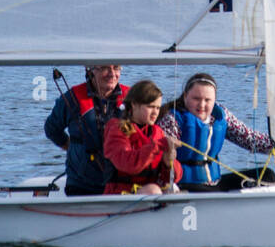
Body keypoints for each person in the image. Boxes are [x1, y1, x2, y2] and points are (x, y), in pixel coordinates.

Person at [159, 72, 275, 190]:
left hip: (215, 183)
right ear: (185, 97)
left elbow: (249, 139)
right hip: (183, 185)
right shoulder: (172, 119)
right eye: (196, 99)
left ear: (214, 100)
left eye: (207, 100)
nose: (202, 105)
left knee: (267, 175)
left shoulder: (221, 116)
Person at [43, 65, 128, 196]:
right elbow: (51, 129)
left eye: (116, 68)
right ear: (90, 70)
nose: (112, 74)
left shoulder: (131, 98)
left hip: (122, 182)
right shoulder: (72, 98)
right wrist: (69, 146)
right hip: (82, 184)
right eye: (105, 68)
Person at [102, 80, 182, 195]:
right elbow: (128, 164)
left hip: (150, 191)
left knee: (174, 189)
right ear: (134, 104)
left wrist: (169, 163)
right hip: (121, 194)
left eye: (158, 108)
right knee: (153, 190)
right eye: (150, 107)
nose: (155, 113)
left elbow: (172, 178)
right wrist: (158, 145)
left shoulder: (157, 132)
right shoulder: (117, 128)